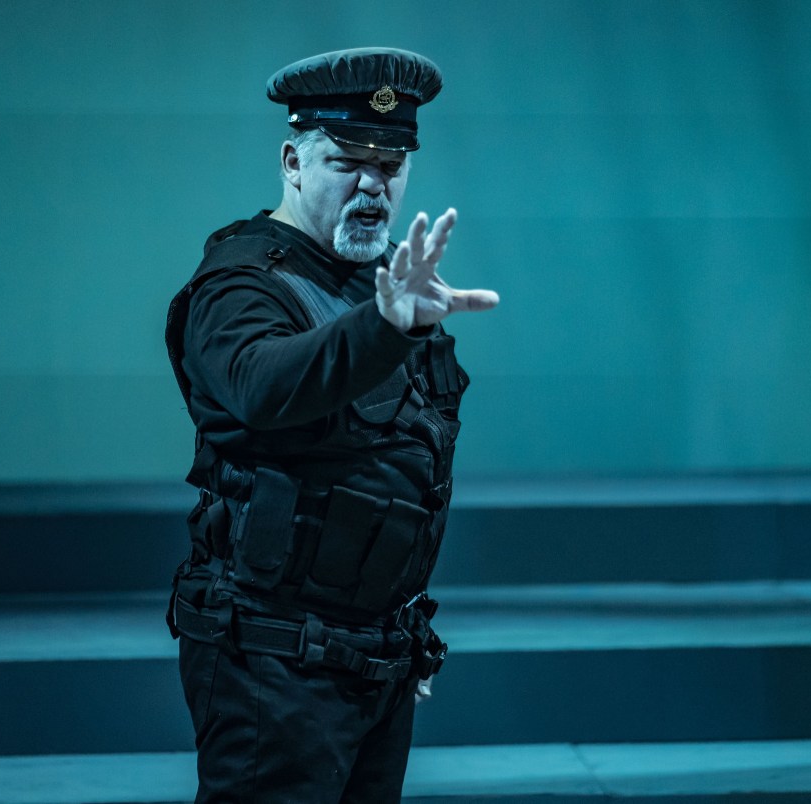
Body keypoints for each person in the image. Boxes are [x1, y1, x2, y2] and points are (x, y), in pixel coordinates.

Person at [164, 47, 499, 803]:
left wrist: (393, 639)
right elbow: (263, 387)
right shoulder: (242, 283)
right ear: (293, 162)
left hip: (372, 659)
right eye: (348, 162)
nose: (373, 185)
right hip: (274, 664)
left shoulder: (384, 283)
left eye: (391, 165)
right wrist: (385, 325)